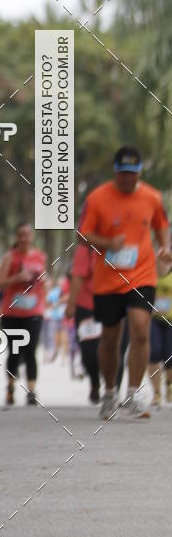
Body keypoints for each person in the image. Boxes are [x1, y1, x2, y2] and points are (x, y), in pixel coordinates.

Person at [78, 146, 171, 420]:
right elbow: (82, 235)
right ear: (115, 172)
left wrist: (164, 246)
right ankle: (109, 393)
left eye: (132, 175)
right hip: (108, 279)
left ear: (139, 173)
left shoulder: (152, 197)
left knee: (141, 329)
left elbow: (161, 224)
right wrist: (107, 242)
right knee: (110, 337)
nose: (127, 180)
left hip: (142, 275)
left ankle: (132, 393)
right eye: (122, 175)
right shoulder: (97, 199)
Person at [0, 223, 47, 406]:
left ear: (32, 236)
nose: (24, 238)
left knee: (31, 349)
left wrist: (44, 284)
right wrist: (17, 278)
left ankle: (31, 391)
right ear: (16, 237)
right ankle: (10, 387)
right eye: (21, 235)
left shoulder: (40, 256)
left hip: (34, 310)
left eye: (27, 234)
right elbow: (0, 283)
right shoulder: (10, 257)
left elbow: (44, 282)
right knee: (15, 351)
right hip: (12, 312)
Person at [66, 242, 101, 403]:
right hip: (87, 306)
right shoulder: (84, 249)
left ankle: (112, 388)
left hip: (115, 303)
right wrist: (71, 304)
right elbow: (76, 277)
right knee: (89, 351)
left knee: (114, 347)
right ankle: (95, 382)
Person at [148, 256, 172, 408]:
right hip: (153, 319)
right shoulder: (149, 273)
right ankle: (156, 393)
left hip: (170, 320)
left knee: (169, 358)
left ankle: (169, 385)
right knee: (153, 353)